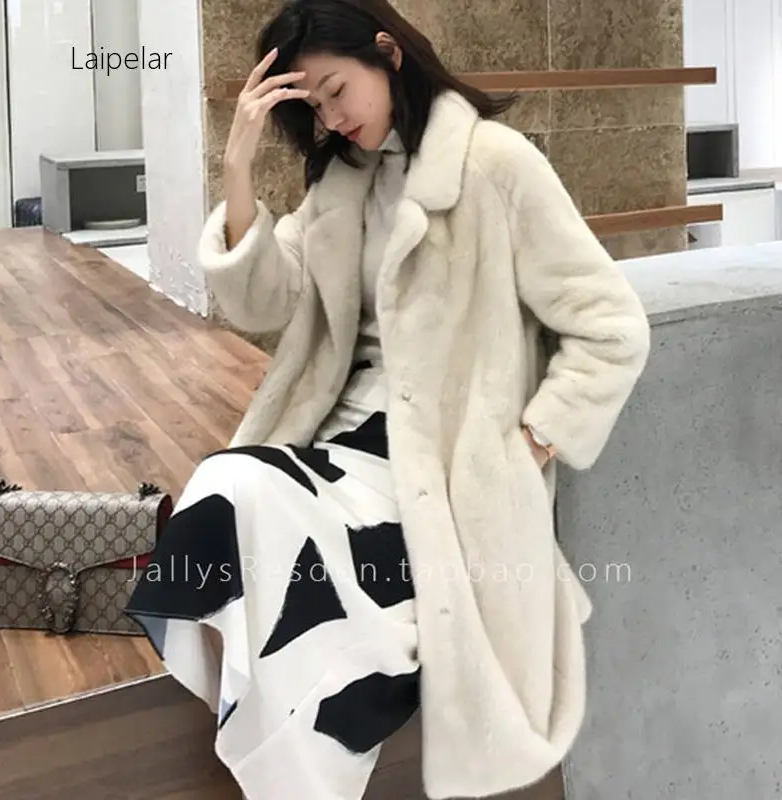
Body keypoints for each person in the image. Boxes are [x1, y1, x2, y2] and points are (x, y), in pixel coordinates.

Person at [124, 0, 652, 798]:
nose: (332, 120)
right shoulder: (344, 184)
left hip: (439, 476)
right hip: (339, 450)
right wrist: (237, 165)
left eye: (337, 91)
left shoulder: (494, 165)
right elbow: (263, 299)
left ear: (388, 52)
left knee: (268, 543)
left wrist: (527, 446)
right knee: (226, 486)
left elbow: (612, 328)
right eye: (315, 108)